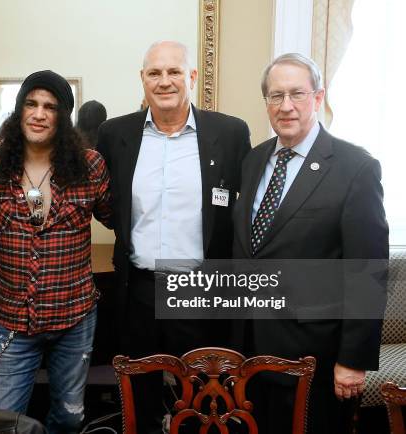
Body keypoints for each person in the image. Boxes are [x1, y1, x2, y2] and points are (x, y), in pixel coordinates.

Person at [96, 40, 251, 433]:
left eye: (174, 71)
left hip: (200, 289)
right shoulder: (114, 134)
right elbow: (107, 204)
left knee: (206, 401)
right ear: (143, 79)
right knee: (139, 398)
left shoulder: (230, 133)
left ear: (192, 77)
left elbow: (242, 211)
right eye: (154, 73)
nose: (164, 81)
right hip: (138, 289)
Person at [232, 53, 389, 433]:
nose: (285, 106)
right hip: (248, 347)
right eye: (275, 96)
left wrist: (353, 360)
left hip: (312, 355)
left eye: (297, 94)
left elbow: (367, 271)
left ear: (318, 99)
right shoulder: (254, 161)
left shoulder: (355, 168)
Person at [0, 70, 112, 434]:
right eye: (31, 104)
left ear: (63, 117)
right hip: (14, 319)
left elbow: (118, 219)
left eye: (50, 107)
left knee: (69, 416)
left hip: (75, 316)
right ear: (19, 110)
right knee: (2, 419)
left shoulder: (90, 166)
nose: (39, 114)